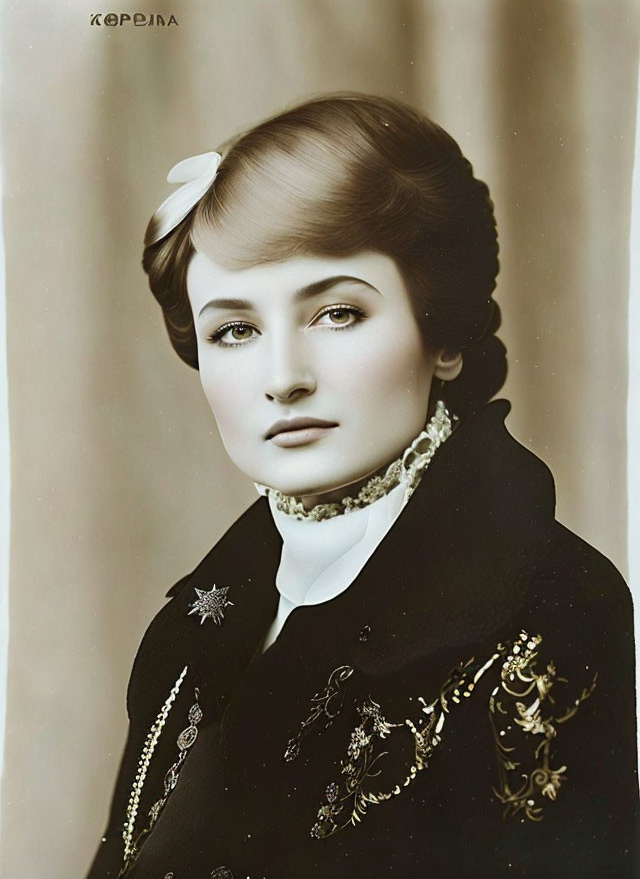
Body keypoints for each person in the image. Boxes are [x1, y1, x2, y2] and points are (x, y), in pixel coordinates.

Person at [86, 93, 639, 879]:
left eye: (338, 313)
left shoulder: (553, 607)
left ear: (441, 335)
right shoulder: (194, 627)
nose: (282, 379)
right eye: (235, 330)